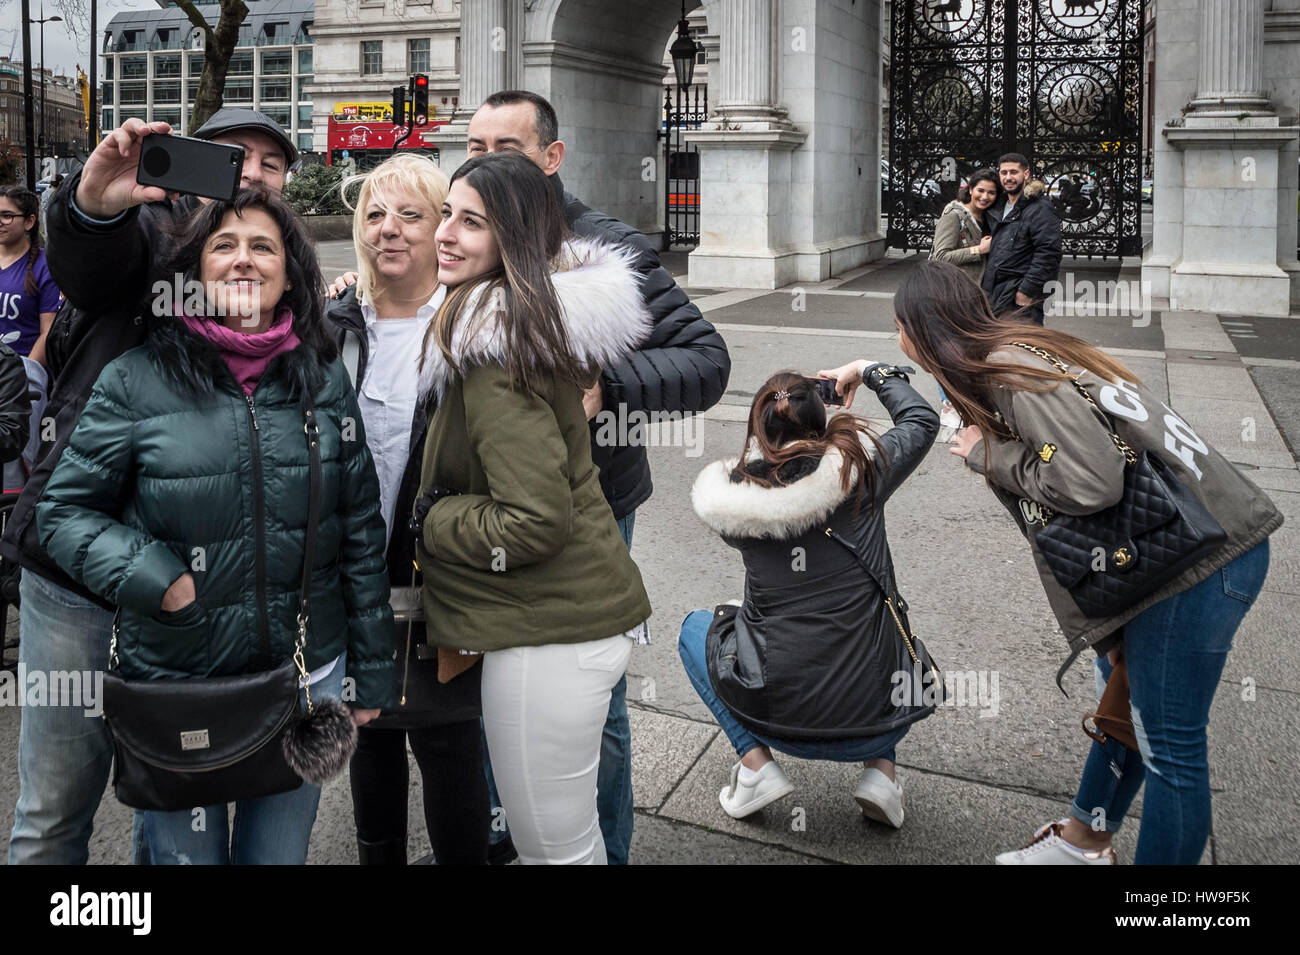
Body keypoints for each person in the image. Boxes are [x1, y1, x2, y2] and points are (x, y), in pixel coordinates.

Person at [35, 187, 393, 864]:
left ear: (291, 270)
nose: (243, 261)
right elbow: (63, 512)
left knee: (275, 859)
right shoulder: (137, 378)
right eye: (222, 246)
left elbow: (359, 531)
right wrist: (156, 576)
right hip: (179, 681)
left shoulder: (320, 377)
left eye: (263, 246)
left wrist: (371, 673)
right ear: (194, 271)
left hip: (303, 678)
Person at [895, 259, 1280, 864]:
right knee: (1123, 709)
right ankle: (1084, 841)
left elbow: (1090, 482)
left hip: (1195, 564)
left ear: (922, 332)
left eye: (899, 330)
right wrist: (866, 373)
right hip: (1184, 543)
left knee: (1170, 747)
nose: (898, 342)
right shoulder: (1015, 350)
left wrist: (986, 456)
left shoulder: (1011, 374)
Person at [5, 108, 299, 865]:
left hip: (195, 592)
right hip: (80, 583)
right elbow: (94, 257)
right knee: (56, 805)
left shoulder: (283, 288)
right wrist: (92, 205)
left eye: (271, 163)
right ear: (188, 164)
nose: (253, 174)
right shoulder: (151, 243)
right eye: (235, 157)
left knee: (175, 794)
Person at [415, 152, 652, 865]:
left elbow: (534, 518)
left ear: (512, 238)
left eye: (472, 223)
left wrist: (433, 519)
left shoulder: (495, 352)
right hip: (572, 622)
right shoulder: (522, 322)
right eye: (447, 214)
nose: (445, 235)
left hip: (551, 634)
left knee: (555, 848)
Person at [680, 363, 939, 824]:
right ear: (822, 418)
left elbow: (771, 476)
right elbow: (921, 420)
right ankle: (881, 772)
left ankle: (755, 765)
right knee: (880, 619)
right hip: (873, 722)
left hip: (775, 718)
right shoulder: (862, 472)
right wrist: (868, 371)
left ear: (759, 429)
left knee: (696, 628)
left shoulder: (737, 507)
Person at [327, 153, 490, 865]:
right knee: (369, 734)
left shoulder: (475, 328)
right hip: (352, 575)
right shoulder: (330, 326)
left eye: (410, 216)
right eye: (373, 215)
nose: (387, 231)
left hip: (441, 576)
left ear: (441, 232)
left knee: (450, 739)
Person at [930, 168, 998, 435]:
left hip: (975, 296)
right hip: (951, 294)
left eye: (991, 192)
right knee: (948, 351)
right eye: (980, 190)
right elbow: (940, 256)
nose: (985, 196)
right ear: (970, 189)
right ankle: (948, 405)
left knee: (969, 352)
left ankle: (966, 403)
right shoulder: (955, 215)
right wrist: (977, 250)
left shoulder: (988, 217)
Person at [980, 153, 1062, 325]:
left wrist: (1027, 290)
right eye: (1004, 173)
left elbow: (1048, 253)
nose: (1008, 177)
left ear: (1025, 174)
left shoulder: (1040, 208)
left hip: (1020, 296)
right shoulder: (999, 205)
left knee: (1023, 345)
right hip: (996, 293)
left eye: (1013, 172)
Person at [0, 185, 60, 365]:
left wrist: (26, 377)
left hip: (19, 381)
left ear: (29, 221)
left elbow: (47, 332)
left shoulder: (45, 267)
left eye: (7, 216)